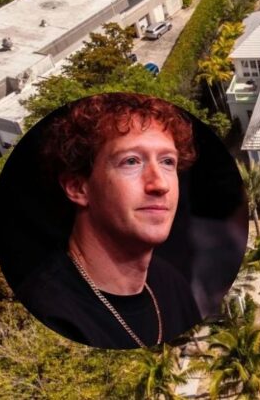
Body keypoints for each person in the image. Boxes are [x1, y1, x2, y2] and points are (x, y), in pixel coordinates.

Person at [17, 93, 202, 349]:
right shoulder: (50, 315)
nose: (160, 184)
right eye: (131, 161)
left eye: (167, 162)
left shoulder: (169, 283)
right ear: (78, 188)